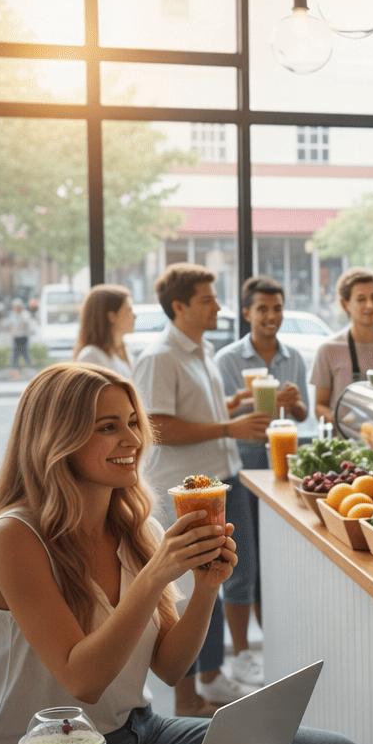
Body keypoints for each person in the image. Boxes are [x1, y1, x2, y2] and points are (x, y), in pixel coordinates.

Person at [0, 362, 367, 744]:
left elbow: (168, 665)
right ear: (56, 440)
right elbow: (83, 679)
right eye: (106, 427)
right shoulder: (13, 538)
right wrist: (156, 575)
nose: (131, 440)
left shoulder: (136, 528)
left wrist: (208, 586)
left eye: (133, 421)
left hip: (131, 737)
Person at [134, 264, 271, 715]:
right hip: (190, 490)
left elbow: (194, 411)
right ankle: (189, 700)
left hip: (220, 480)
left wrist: (232, 407)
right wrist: (230, 424)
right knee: (193, 593)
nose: (217, 306)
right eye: (207, 299)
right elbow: (159, 426)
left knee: (219, 579)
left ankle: (210, 682)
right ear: (179, 306)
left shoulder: (200, 350)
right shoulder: (160, 356)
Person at [215, 275, 311, 686]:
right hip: (239, 466)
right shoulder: (228, 360)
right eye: (262, 309)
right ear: (247, 313)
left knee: (275, 564)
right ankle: (240, 655)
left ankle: (274, 650)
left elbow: (303, 416)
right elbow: (220, 419)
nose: (271, 316)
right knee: (243, 564)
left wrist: (293, 403)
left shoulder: (294, 358)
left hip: (280, 468)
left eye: (277, 308)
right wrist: (248, 406)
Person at [311, 267, 373, 423]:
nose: (370, 305)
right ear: (345, 304)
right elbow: (319, 406)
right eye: (361, 299)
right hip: (347, 444)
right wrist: (342, 424)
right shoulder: (328, 350)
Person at [74, 284, 137, 380]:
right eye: (129, 310)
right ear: (112, 316)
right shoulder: (91, 356)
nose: (134, 316)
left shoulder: (123, 352)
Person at [3, 299, 35, 374]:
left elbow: (28, 324)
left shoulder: (25, 314)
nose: (17, 308)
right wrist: (10, 328)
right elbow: (6, 324)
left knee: (25, 352)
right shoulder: (12, 315)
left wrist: (23, 324)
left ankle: (30, 368)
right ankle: (14, 369)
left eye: (18, 307)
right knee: (15, 353)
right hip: (16, 337)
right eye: (15, 307)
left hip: (24, 337)